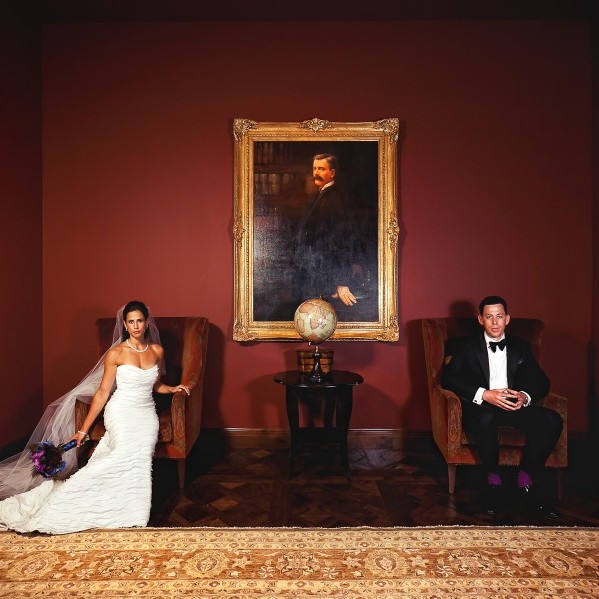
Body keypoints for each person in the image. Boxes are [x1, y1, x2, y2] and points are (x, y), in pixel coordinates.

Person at [0, 300, 192, 534]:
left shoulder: (157, 351)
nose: (136, 326)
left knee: (140, 457)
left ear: (146, 323)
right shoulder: (116, 353)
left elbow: (155, 384)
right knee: (122, 454)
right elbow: (102, 393)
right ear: (125, 325)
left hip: (145, 414)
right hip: (121, 411)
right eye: (131, 322)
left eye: (140, 321)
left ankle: (132, 512)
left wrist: (172, 388)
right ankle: (71, 498)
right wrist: (83, 430)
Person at [440, 296, 563, 518]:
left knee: (552, 420)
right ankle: (493, 480)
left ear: (507, 319)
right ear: (480, 319)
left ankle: (526, 477)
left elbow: (541, 382)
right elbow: (448, 379)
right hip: (481, 408)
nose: (495, 322)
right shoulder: (465, 346)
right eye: (489, 317)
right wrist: (484, 394)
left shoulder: (520, 346)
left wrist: (524, 396)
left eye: (499, 316)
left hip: (512, 405)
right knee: (486, 420)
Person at [291, 153, 366, 312]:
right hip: (317, 272)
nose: (316, 173)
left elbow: (342, 240)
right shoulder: (321, 195)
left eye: (321, 169)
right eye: (314, 168)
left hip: (328, 276)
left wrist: (341, 281)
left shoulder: (333, 198)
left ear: (332, 173)